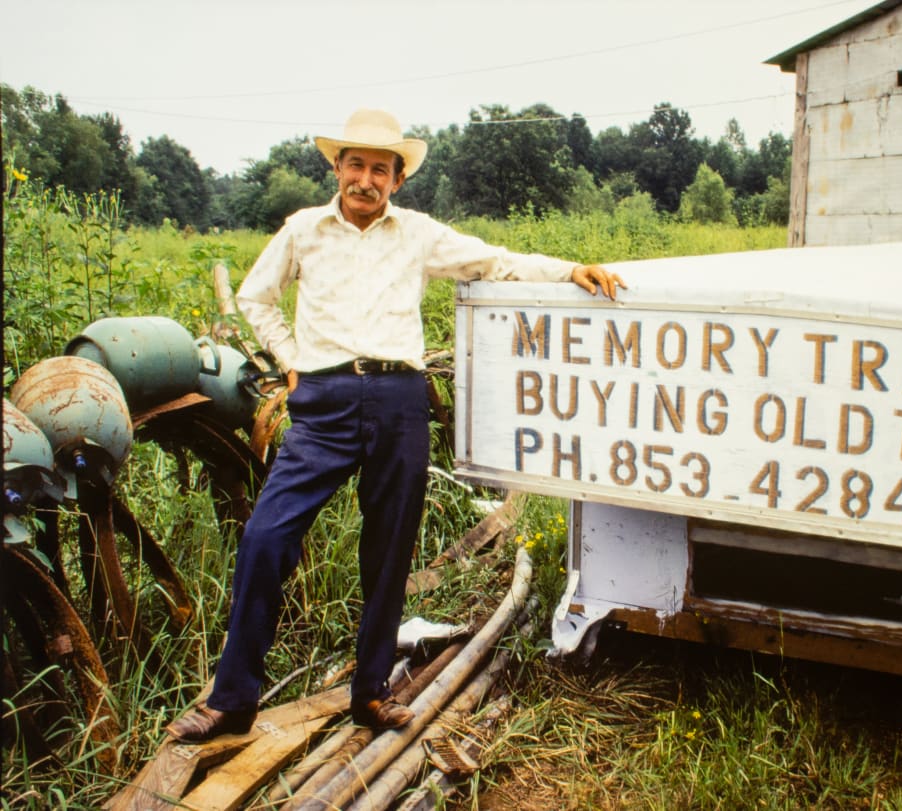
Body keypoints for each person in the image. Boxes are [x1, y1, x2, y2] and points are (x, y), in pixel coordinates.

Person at [166, 108, 625, 742]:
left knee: (388, 551)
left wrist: (568, 269)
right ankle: (233, 698)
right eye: (356, 165)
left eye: (380, 169)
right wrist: (291, 360)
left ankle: (372, 692)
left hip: (399, 399)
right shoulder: (303, 230)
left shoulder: (416, 234)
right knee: (267, 537)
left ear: (397, 180)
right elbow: (255, 297)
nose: (366, 179)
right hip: (322, 403)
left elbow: (493, 261)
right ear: (337, 168)